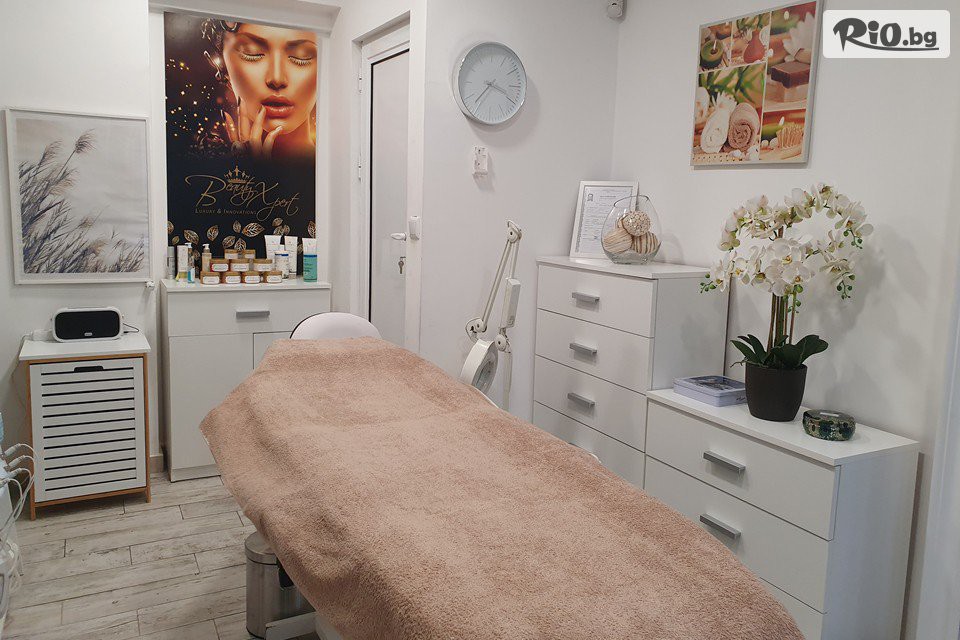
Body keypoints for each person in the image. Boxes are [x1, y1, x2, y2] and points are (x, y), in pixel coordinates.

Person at [205, 20, 317, 160]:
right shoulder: (205, 161)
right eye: (252, 53)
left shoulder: (333, 165)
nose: (276, 79)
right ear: (224, 68)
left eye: (301, 57)